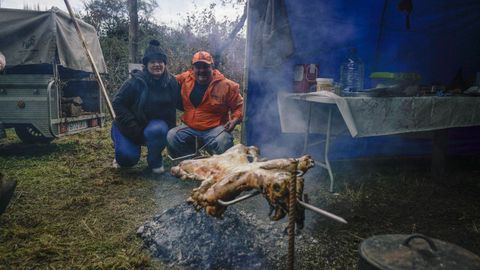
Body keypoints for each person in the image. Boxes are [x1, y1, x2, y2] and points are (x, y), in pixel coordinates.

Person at [111, 40, 181, 173]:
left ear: (165, 64)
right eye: (152, 62)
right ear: (146, 64)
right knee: (127, 159)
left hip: (153, 129)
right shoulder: (135, 82)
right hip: (129, 127)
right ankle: (120, 147)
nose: (157, 65)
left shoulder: (172, 82)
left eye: (160, 61)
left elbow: (182, 103)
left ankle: (154, 160)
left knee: (158, 129)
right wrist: (132, 126)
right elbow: (117, 103)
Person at [167, 51, 243, 157]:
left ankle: (219, 165)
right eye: (198, 67)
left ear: (212, 67)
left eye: (206, 66)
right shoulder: (185, 78)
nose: (202, 70)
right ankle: (192, 161)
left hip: (215, 129)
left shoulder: (228, 86)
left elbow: (240, 106)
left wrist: (235, 119)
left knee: (224, 141)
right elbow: (167, 79)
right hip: (190, 127)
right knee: (172, 136)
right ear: (192, 68)